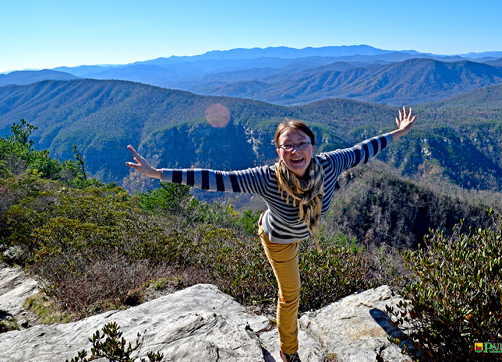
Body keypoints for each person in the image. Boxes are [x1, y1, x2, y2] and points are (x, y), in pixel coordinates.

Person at [126, 107, 415, 362]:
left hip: (301, 230)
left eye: (301, 144)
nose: (295, 151)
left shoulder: (330, 164)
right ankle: (289, 352)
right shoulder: (266, 178)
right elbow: (217, 179)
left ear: (313, 146)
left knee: (296, 279)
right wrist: (157, 173)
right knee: (290, 295)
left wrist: (399, 133)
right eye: (287, 146)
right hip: (279, 240)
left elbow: (365, 148)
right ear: (278, 151)